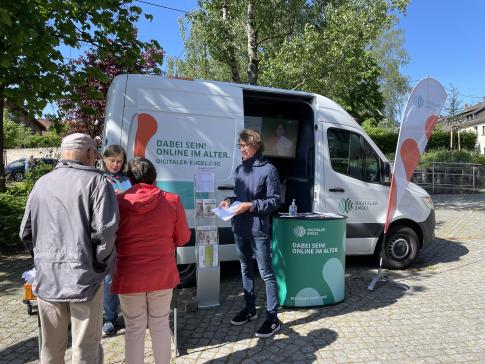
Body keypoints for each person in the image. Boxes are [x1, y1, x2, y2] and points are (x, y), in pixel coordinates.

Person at [19, 133, 119, 363]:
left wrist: (43, 259)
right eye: (95, 153)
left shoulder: (41, 183)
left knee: (50, 349)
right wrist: (100, 265)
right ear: (88, 153)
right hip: (85, 278)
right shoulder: (98, 183)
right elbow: (106, 232)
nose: (96, 158)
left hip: (48, 278)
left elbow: (25, 231)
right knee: (85, 349)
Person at [111, 157, 190, 364]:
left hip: (129, 275)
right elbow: (182, 238)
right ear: (154, 176)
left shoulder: (118, 202)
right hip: (161, 274)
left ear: (128, 177)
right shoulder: (171, 200)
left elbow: (109, 238)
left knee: (134, 329)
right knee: (161, 325)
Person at [219, 129, 282, 338]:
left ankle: (273, 318)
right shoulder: (239, 170)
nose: (241, 149)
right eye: (240, 146)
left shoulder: (269, 170)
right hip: (239, 228)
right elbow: (239, 196)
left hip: (258, 230)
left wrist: (251, 205)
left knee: (266, 274)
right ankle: (250, 309)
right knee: (245, 269)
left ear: (255, 145)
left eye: (244, 145)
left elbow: (274, 201)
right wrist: (229, 200)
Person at [101, 145, 131, 336]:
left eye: (119, 161)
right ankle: (110, 317)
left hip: (125, 233)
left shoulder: (127, 180)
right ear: (105, 160)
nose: (115, 164)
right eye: (112, 160)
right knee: (108, 278)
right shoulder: (98, 179)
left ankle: (129, 314)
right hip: (106, 235)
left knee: (125, 275)